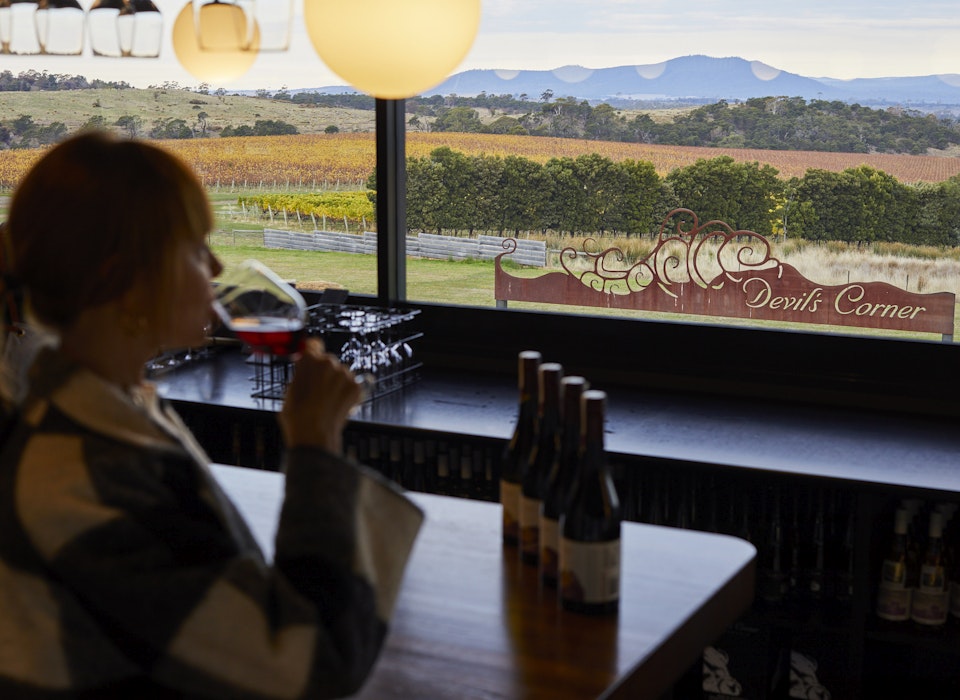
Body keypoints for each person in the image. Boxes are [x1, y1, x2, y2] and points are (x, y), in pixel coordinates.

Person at [0, 131, 423, 698]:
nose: (219, 266)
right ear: (121, 281)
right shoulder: (78, 478)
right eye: (197, 249)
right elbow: (307, 663)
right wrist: (315, 448)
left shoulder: (107, 410)